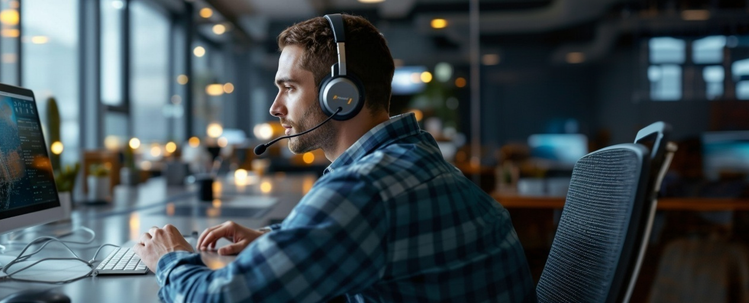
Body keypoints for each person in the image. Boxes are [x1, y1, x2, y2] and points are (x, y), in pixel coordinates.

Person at [133, 14, 533, 302]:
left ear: (340, 95)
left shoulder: (363, 188)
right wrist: (279, 243)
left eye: (288, 88)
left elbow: (217, 299)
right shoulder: (417, 160)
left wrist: (171, 260)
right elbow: (366, 237)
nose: (274, 108)